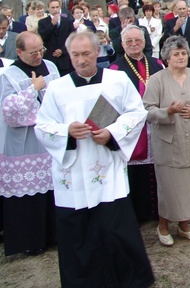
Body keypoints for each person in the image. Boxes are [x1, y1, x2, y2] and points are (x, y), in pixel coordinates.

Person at [34, 32, 154, 287]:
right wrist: (66, 131)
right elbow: (42, 126)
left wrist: (111, 133)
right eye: (75, 55)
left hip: (106, 167)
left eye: (86, 53)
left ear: (98, 51)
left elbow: (136, 113)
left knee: (115, 228)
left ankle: (130, 280)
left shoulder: (117, 80)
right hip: (73, 173)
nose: (81, 60)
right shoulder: (57, 88)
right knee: (78, 234)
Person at [143, 36, 190, 246]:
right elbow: (147, 111)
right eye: (176, 54)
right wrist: (168, 112)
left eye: (184, 53)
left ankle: (184, 225)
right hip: (169, 144)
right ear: (167, 57)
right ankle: (163, 225)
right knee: (169, 187)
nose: (181, 57)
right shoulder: (156, 80)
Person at [0, 32, 60, 256]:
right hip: (25, 143)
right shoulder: (9, 76)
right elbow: (9, 113)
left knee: (53, 190)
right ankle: (31, 240)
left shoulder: (51, 67)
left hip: (51, 141)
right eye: (33, 52)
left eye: (40, 50)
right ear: (18, 52)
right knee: (29, 195)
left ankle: (54, 234)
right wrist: (32, 90)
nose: (38, 56)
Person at [110, 24, 165, 223]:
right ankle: (139, 212)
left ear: (144, 42)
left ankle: (159, 209)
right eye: (129, 41)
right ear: (122, 44)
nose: (134, 44)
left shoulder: (157, 63)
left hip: (155, 123)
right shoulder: (115, 68)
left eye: (138, 40)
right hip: (133, 127)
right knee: (136, 171)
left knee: (157, 167)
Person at [38, 0, 76, 76]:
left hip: (65, 58)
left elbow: (73, 38)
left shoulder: (68, 21)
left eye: (57, 7)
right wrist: (52, 24)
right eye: (53, 7)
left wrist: (62, 50)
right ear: (48, 8)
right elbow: (43, 37)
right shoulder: (42, 22)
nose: (55, 9)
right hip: (50, 57)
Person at [162, 0, 190, 68]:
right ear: (176, 10)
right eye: (180, 9)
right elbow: (165, 39)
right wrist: (175, 28)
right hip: (175, 58)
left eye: (184, 8)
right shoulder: (170, 22)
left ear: (187, 8)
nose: (182, 11)